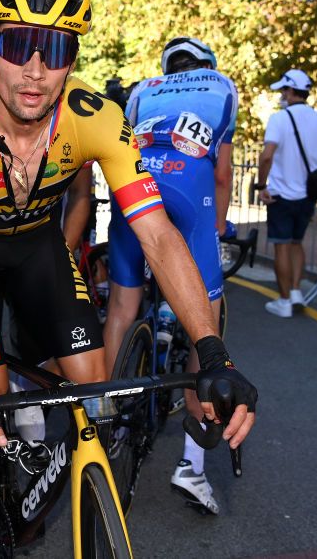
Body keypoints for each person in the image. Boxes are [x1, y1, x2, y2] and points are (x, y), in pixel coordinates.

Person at [0, 0, 257, 559]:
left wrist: (211, 349)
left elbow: (156, 234)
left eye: (55, 47)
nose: (35, 69)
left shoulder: (97, 116)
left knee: (92, 390)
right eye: (19, 44)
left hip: (40, 247)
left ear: (72, 58)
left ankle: (52, 459)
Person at [102, 36, 238, 514]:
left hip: (134, 187)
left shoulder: (143, 89)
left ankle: (111, 414)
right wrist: (217, 228)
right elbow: (221, 174)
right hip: (189, 188)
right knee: (206, 324)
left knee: (122, 303)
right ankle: (192, 465)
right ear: (206, 63)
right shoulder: (222, 86)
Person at [255, 69, 317, 318]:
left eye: (283, 90)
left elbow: (267, 155)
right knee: (296, 244)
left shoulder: (279, 119)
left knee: (281, 247)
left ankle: (284, 302)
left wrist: (261, 187)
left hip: (280, 194)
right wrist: (315, 159)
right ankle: (296, 292)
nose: (281, 95)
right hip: (307, 195)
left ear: (292, 91)